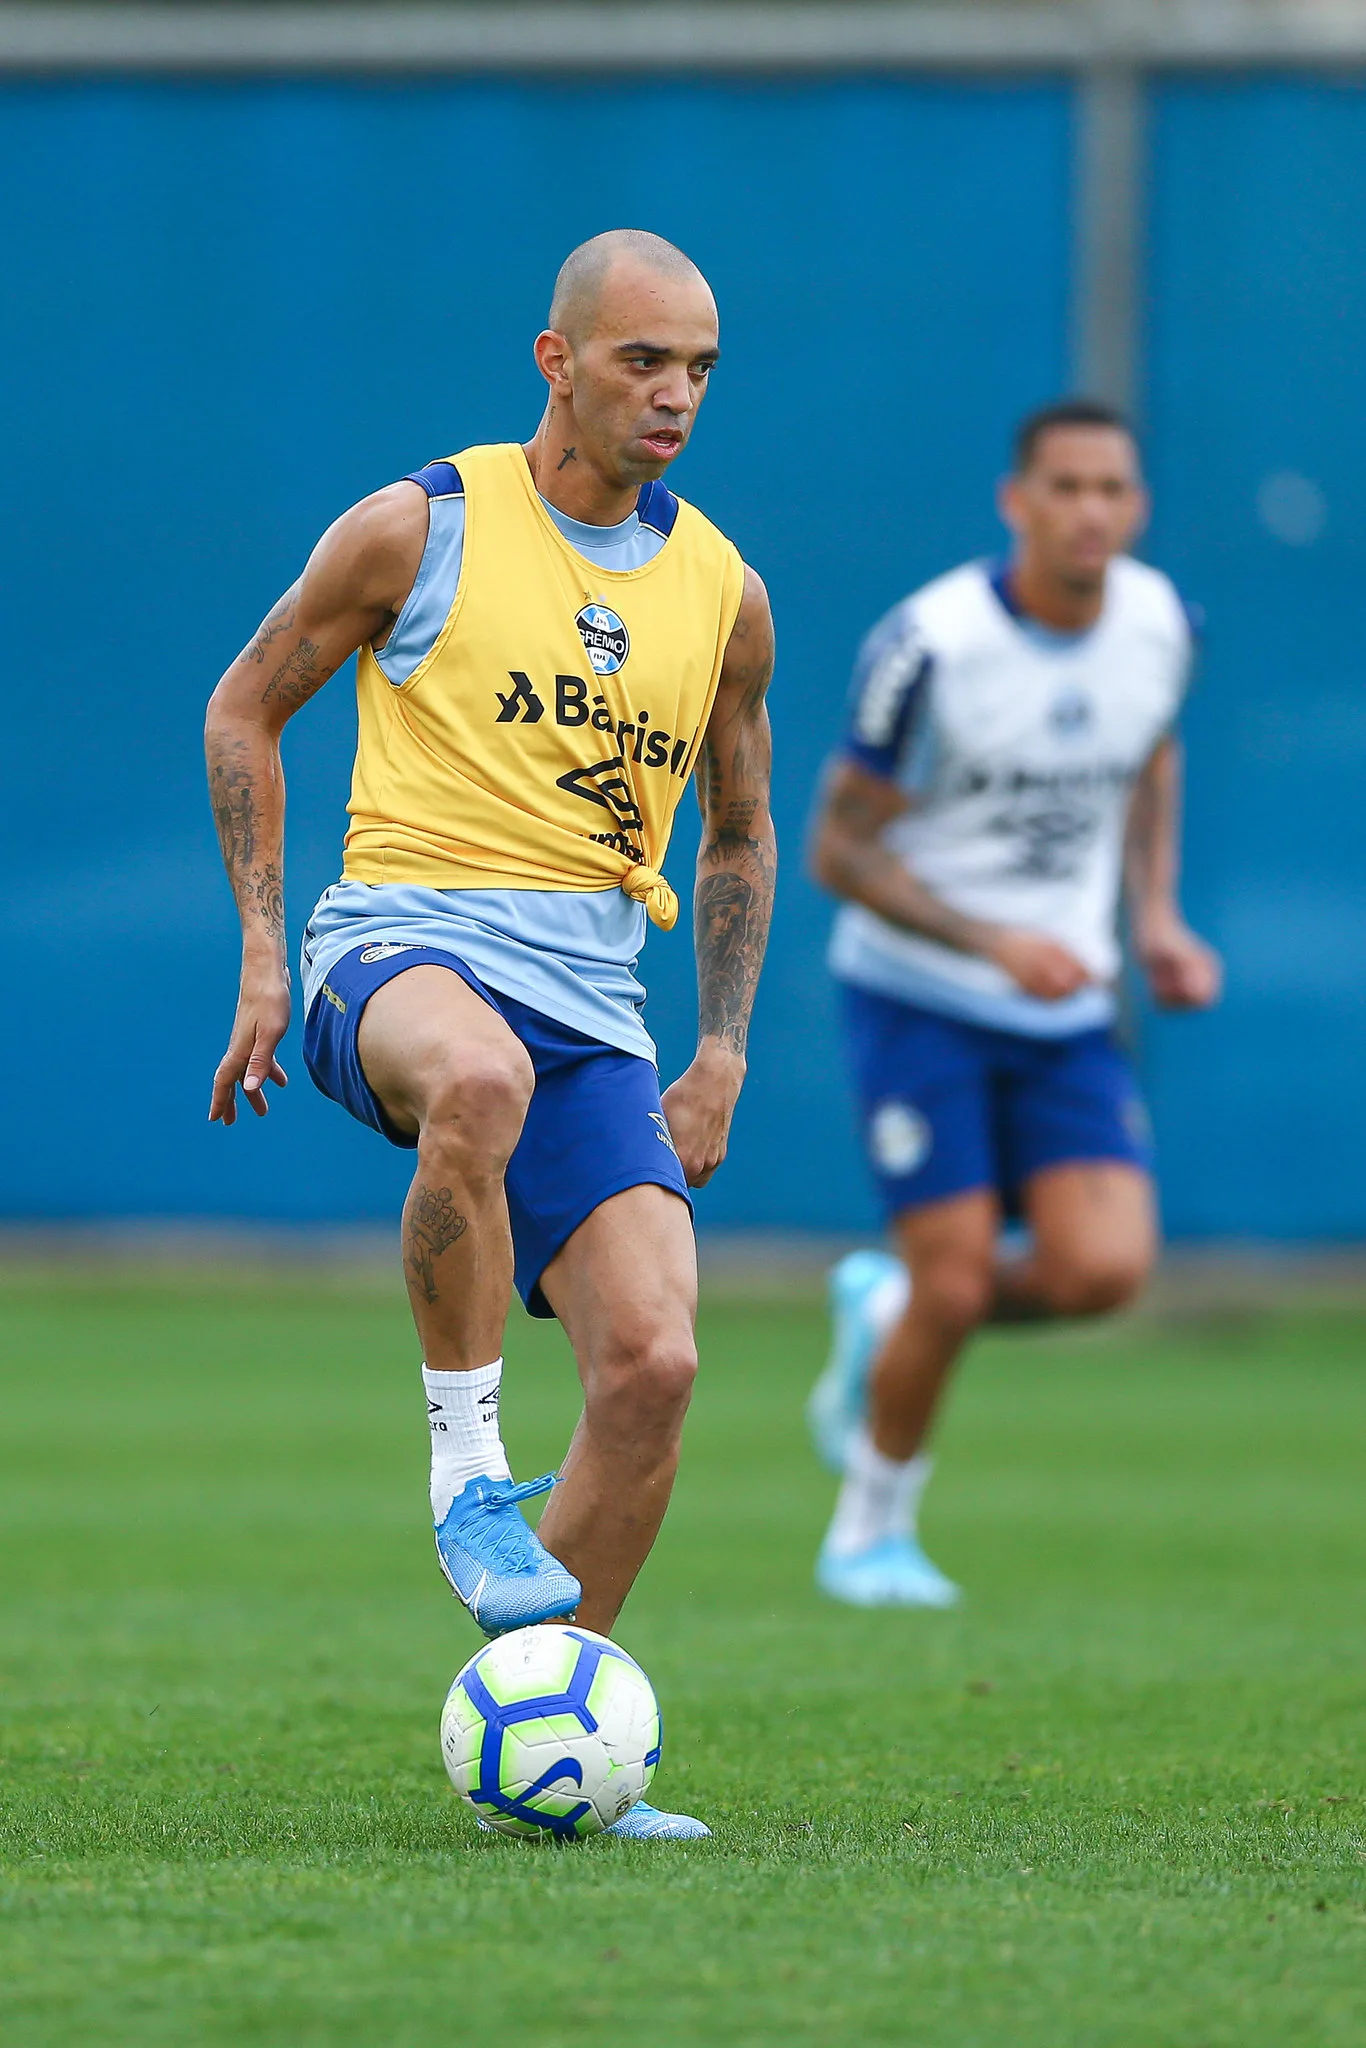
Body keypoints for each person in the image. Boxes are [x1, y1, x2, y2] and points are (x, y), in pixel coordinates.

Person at [205, 230, 776, 1838]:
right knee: (477, 1072)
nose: (673, 398)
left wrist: (720, 1048)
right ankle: (465, 1466)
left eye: (699, 371)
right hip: (397, 949)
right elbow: (243, 704)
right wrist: (262, 952)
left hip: (600, 1012)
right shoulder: (424, 527)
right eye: (641, 363)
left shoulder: (720, 594)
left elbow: (739, 831)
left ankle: (555, 1732)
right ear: (558, 361)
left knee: (654, 1364)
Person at [805, 399, 1220, 1609]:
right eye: (1066, 487)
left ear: (1136, 507)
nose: (1091, 511)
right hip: (918, 992)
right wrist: (991, 939)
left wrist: (1154, 918)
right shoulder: (929, 646)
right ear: (1016, 500)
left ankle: (880, 1309)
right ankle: (867, 1531)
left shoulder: (1160, 623)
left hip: (1065, 1003)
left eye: (1113, 489)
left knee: (1102, 1271)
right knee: (957, 1277)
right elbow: (838, 847)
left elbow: (1151, 752)